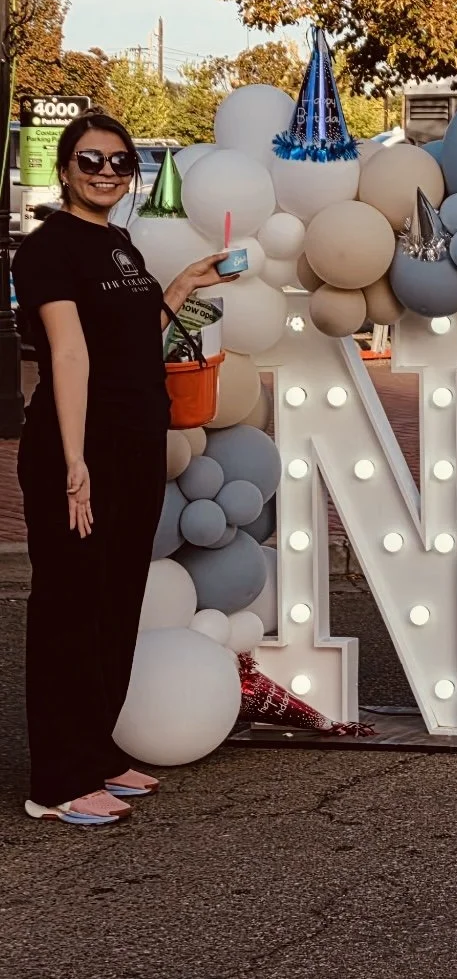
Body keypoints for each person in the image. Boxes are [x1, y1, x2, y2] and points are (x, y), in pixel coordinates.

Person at [17, 114, 233, 825]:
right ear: (65, 168)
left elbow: (132, 337)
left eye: (119, 161)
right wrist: (74, 460)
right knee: (70, 608)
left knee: (114, 602)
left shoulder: (119, 244)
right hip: (81, 449)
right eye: (91, 160)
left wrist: (180, 287)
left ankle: (96, 750)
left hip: (134, 445)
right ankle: (57, 781)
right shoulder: (48, 249)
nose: (106, 171)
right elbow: (70, 353)